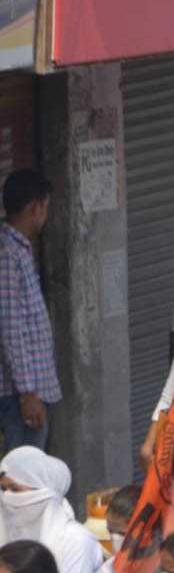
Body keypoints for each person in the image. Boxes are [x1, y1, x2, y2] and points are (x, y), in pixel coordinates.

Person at [0, 170, 56, 453]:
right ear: (35, 207)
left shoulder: (18, 250)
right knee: (22, 474)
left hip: (27, 391)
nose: (45, 214)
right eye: (45, 207)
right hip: (19, 395)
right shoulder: (8, 254)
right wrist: (27, 395)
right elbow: (11, 329)